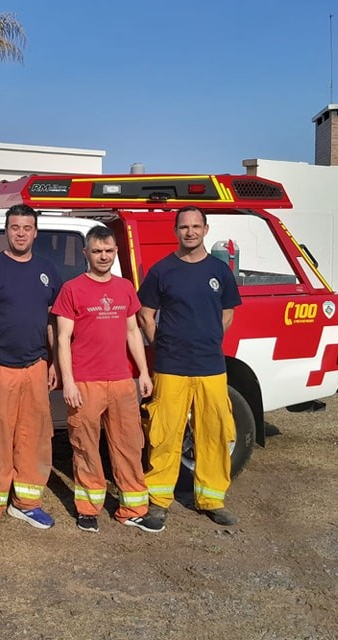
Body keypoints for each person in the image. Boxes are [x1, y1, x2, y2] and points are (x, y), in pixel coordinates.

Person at [52, 226, 165, 534]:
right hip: (86, 382)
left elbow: (132, 332)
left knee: (129, 445)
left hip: (121, 381)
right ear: (86, 253)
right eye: (97, 251)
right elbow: (63, 339)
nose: (103, 256)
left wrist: (142, 372)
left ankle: (133, 509)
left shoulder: (125, 287)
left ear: (116, 252)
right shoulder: (72, 289)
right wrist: (69, 382)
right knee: (85, 447)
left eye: (109, 251)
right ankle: (88, 508)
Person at [137, 206, 242, 526]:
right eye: (184, 227)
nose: (190, 232)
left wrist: (209, 338)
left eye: (196, 226)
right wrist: (162, 341)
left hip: (211, 366)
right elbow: (145, 313)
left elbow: (227, 313)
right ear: (175, 231)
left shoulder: (220, 271)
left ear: (206, 230)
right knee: (164, 434)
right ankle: (158, 500)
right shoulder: (161, 270)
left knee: (214, 433)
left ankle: (211, 498)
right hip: (171, 366)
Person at [0, 204, 61, 538]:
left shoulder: (47, 271)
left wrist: (54, 362)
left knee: (34, 439)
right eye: (15, 227)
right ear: (6, 230)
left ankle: (27, 504)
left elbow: (52, 322)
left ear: (36, 232)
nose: (21, 233)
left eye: (27, 227)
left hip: (35, 367)